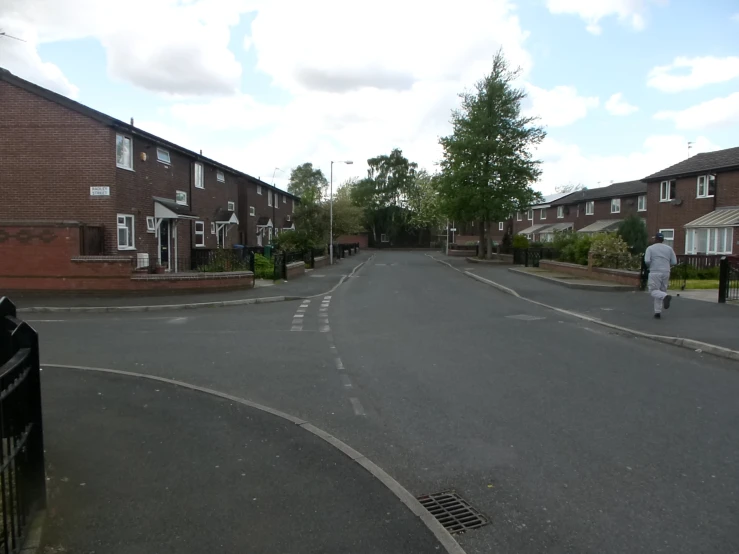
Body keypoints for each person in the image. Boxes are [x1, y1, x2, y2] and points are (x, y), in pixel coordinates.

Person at [644, 232, 677, 319]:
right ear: (662, 240)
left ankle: (666, 297)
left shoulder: (650, 248)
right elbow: (674, 262)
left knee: (653, 291)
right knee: (661, 291)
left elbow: (647, 260)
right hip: (666, 271)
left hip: (655, 271)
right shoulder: (669, 248)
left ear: (655, 239)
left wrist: (650, 266)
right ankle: (657, 312)